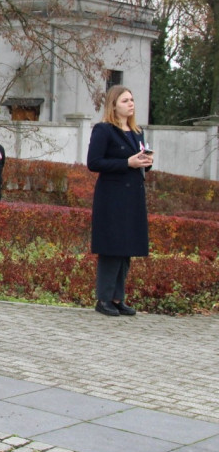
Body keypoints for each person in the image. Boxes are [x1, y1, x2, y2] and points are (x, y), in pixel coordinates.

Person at [87, 85, 152, 317]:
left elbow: (138, 158)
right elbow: (94, 162)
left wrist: (145, 161)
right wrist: (127, 163)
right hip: (112, 197)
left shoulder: (137, 132)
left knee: (126, 248)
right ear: (114, 104)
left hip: (132, 197)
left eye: (132, 99)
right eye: (125, 100)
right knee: (112, 247)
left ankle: (117, 298)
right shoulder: (104, 130)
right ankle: (103, 299)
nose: (131, 104)